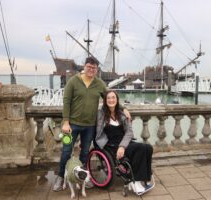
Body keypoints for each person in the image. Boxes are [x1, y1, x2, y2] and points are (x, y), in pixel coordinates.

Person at [53, 57, 130, 191]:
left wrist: (123, 109)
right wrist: (65, 122)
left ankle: (83, 177)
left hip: (90, 126)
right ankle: (60, 176)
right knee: (66, 151)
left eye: (94, 68)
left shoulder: (99, 83)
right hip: (72, 125)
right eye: (89, 67)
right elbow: (66, 102)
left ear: (96, 70)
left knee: (85, 153)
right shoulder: (73, 81)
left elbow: (109, 97)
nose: (91, 70)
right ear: (84, 66)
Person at [95, 90, 153, 194]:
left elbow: (129, 132)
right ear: (105, 100)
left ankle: (145, 177)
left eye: (113, 98)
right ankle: (135, 181)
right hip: (111, 145)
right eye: (108, 98)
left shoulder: (121, 113)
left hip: (124, 142)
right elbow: (97, 131)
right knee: (139, 148)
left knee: (148, 147)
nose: (111, 100)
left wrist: (122, 146)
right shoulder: (101, 114)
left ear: (117, 100)